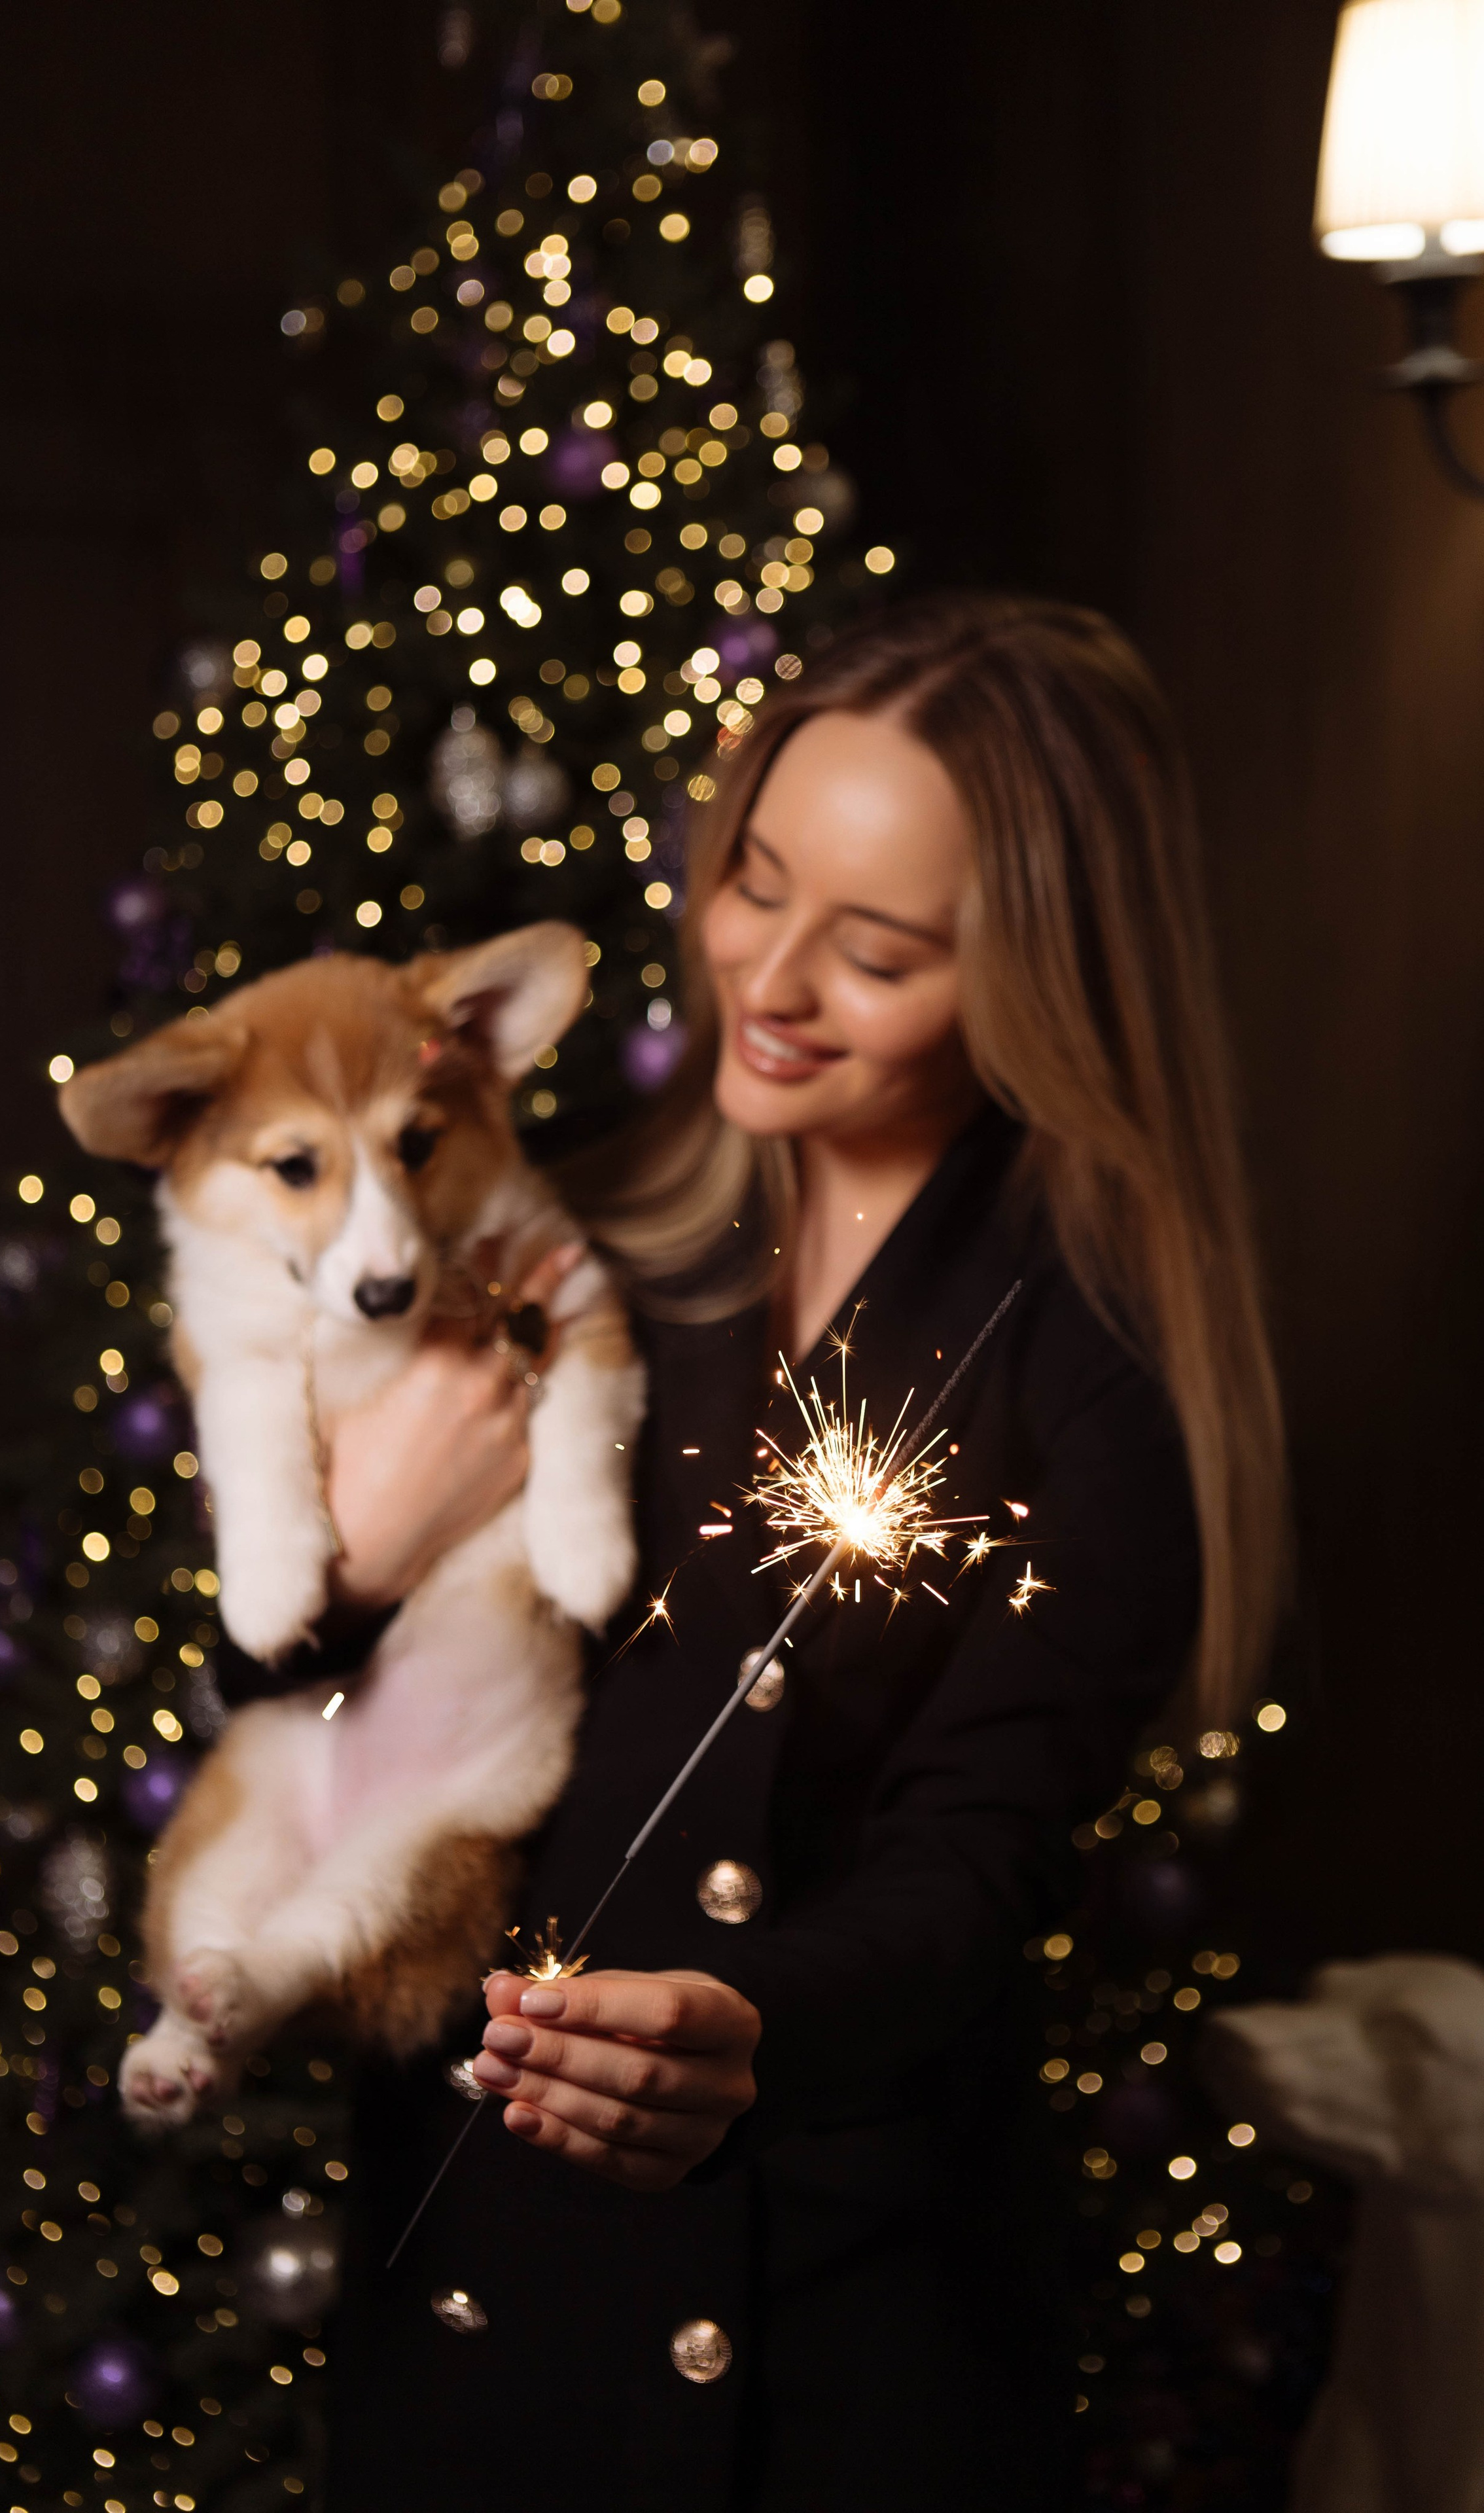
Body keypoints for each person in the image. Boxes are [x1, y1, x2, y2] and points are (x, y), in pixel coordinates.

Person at [306, 594, 1285, 2509]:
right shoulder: (548, 1227)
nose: (772, 977)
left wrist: (763, 2027)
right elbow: (315, 1762)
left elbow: (976, 1857)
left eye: (882, 949)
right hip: (472, 2271)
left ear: (1041, 982)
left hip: (835, 2325)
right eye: (755, 887)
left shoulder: (1091, 1362)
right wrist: (363, 1560)